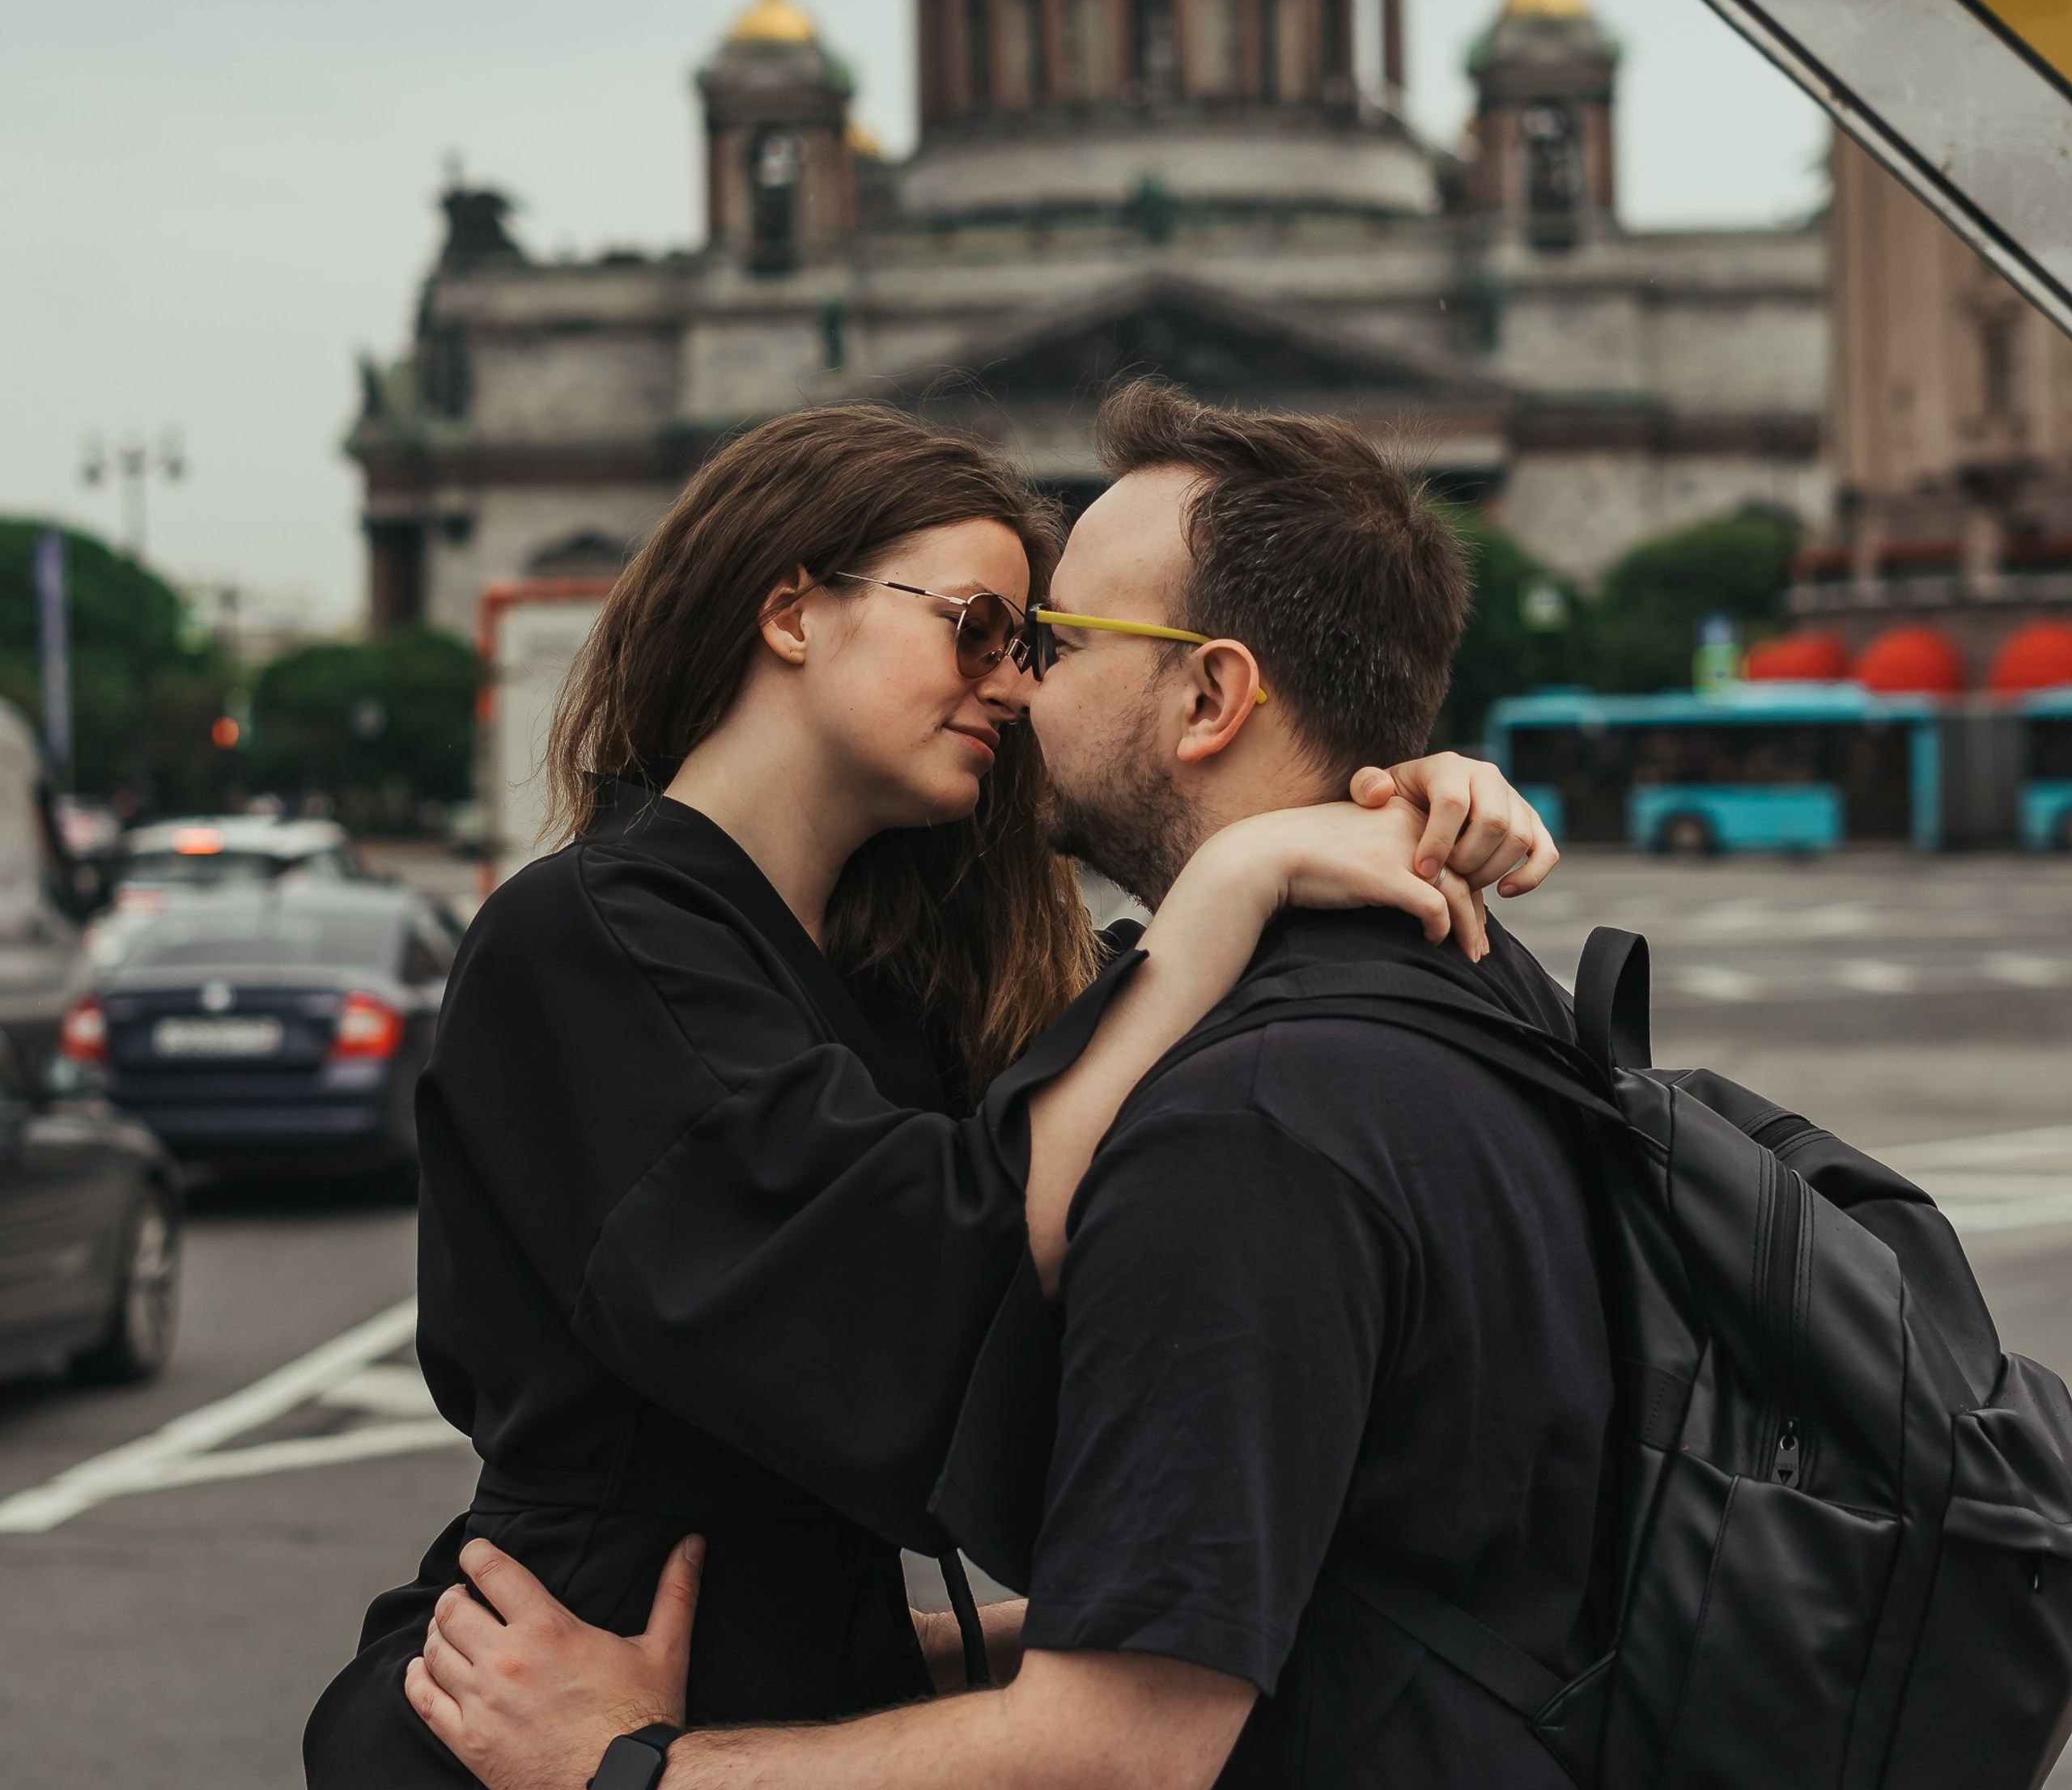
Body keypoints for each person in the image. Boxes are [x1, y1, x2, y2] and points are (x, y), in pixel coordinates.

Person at [305, 401, 1554, 1785]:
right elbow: (920, 1282)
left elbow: (1135, 1119)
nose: (1014, 685)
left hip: (732, 1718)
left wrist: (1398, 786)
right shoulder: (588, 937)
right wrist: (1236, 879)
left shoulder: (912, 961)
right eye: (978, 628)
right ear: (793, 612)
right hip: (541, 1696)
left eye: (1036, 645)